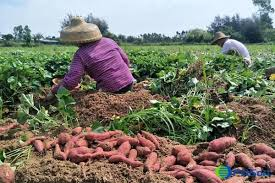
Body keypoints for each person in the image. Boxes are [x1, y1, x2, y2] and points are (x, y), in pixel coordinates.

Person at [46, 17, 135, 101]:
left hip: (111, 90)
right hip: (129, 82)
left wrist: (54, 91)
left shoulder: (80, 54)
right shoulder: (109, 41)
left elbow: (72, 81)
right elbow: (125, 60)